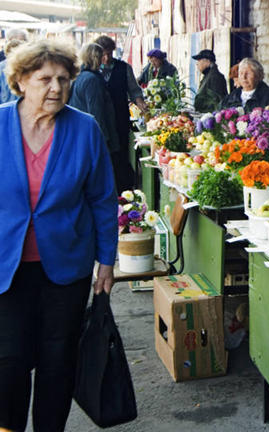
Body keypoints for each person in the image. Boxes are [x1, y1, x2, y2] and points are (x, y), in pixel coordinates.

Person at [0, 39, 117, 431]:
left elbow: (102, 199)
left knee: (58, 360)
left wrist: (106, 261)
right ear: (21, 81)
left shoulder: (84, 129)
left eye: (64, 79)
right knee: (8, 361)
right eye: (45, 79)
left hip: (66, 267)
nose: (56, 88)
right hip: (6, 269)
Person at [94, 35, 148, 193]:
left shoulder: (124, 68)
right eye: (103, 55)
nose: (106, 58)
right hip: (101, 120)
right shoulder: (92, 70)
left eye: (109, 54)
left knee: (121, 155)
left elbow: (134, 91)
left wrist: (142, 105)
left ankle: (123, 191)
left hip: (120, 119)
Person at [68, 43, 119, 154]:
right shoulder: (92, 80)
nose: (104, 59)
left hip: (81, 135)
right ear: (96, 58)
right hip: (91, 139)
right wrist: (104, 141)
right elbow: (96, 113)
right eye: (102, 56)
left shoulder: (79, 76)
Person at [0, 29, 28, 103]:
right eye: (23, 40)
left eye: (25, 41)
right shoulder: (2, 63)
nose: (25, 44)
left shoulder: (30, 64)